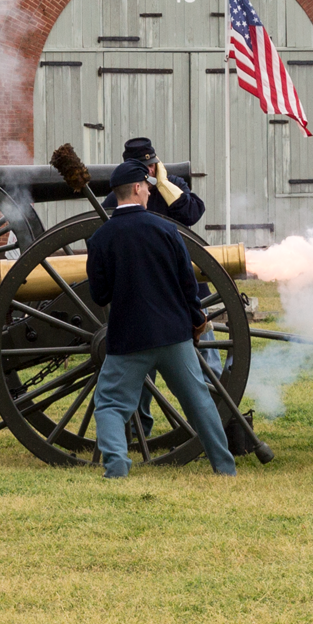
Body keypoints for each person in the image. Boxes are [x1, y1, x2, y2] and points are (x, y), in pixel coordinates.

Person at [85, 160, 237, 480]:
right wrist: (197, 322)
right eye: (147, 187)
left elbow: (99, 296)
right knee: (199, 404)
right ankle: (224, 468)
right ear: (139, 188)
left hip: (129, 337)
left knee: (110, 404)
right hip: (173, 334)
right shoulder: (167, 229)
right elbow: (187, 286)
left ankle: (116, 467)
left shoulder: (100, 238)